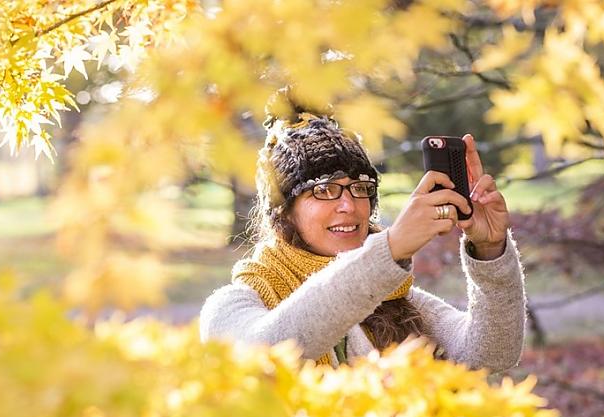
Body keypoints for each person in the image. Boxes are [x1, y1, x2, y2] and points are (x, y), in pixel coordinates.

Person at [199, 109, 525, 372]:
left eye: (360, 188)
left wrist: (489, 250)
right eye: (324, 189)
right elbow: (270, 350)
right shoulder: (229, 306)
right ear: (284, 212)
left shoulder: (395, 298)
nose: (349, 205)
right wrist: (390, 249)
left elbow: (490, 354)